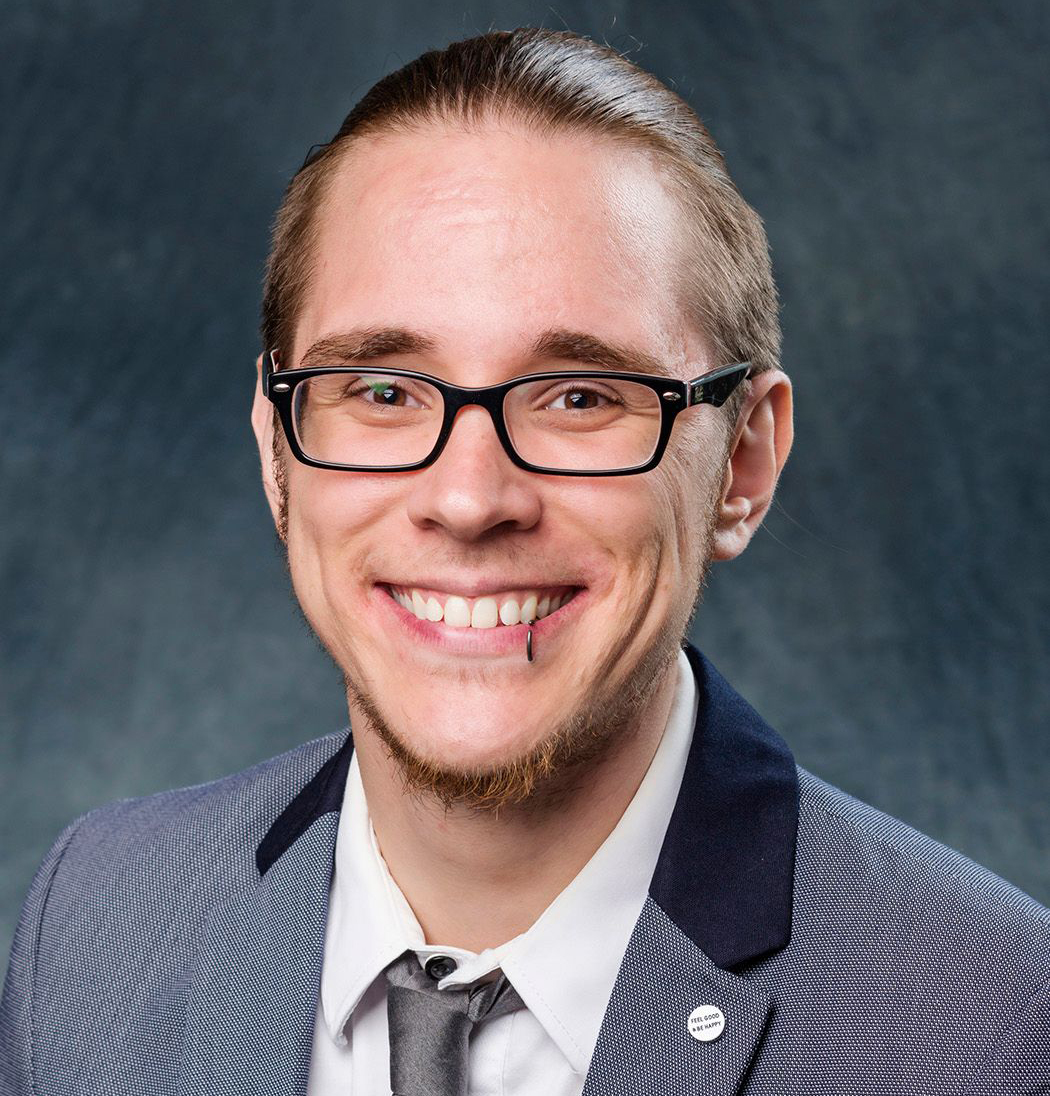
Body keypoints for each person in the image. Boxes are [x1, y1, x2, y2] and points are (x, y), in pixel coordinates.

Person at [2, 26, 1047, 1096]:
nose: (468, 499)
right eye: (383, 390)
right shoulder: (92, 924)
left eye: (580, 397)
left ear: (743, 461)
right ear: (277, 447)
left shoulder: (987, 1026)